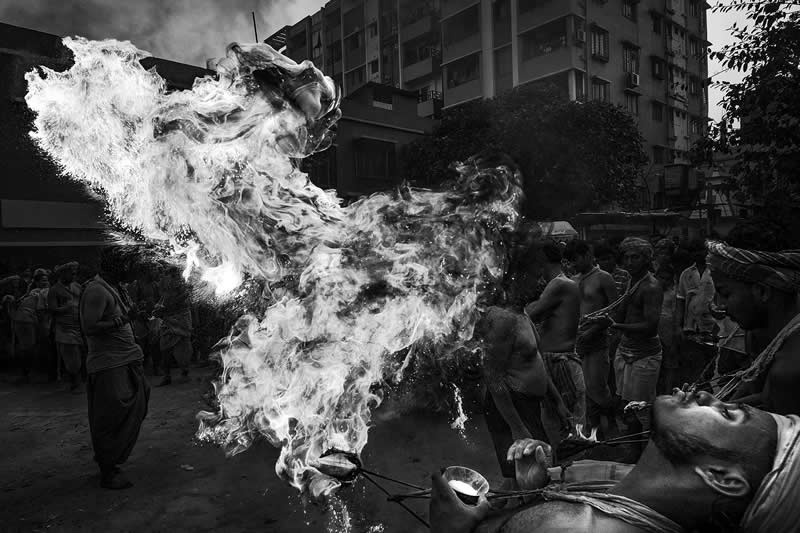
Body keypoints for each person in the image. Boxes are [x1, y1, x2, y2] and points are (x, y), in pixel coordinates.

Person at [430, 390, 799, 533]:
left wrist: (452, 531)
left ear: (721, 476)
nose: (709, 395)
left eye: (729, 414)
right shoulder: (638, 498)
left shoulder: (572, 530)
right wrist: (535, 491)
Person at [80, 246, 150, 489]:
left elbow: (123, 316)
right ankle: (108, 470)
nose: (132, 270)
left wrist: (135, 316)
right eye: (128, 265)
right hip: (109, 364)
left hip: (126, 359)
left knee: (137, 404)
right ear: (117, 266)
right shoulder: (97, 290)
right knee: (110, 417)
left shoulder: (116, 287)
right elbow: (89, 327)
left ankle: (109, 459)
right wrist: (123, 319)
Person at [707, 241, 800, 415]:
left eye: (726, 294)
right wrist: (718, 407)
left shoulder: (789, 371)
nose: (720, 306)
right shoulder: (772, 339)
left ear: (762, 292)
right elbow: (766, 397)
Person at [593, 237, 663, 434]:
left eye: (636, 257)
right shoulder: (633, 281)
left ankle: (646, 452)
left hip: (644, 354)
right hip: (625, 350)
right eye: (627, 258)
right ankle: (634, 449)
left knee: (641, 408)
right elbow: (621, 312)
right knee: (626, 404)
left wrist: (615, 324)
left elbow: (650, 326)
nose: (630, 262)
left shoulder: (651, 286)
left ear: (647, 259)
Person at [524, 241, 585, 436]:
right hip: (554, 361)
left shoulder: (560, 284)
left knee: (569, 428)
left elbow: (530, 313)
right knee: (554, 426)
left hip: (561, 363)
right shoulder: (557, 284)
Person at [564, 240, 618, 436]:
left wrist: (593, 331)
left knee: (598, 388)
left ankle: (611, 425)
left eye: (576, 259)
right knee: (582, 390)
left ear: (588, 254)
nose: (574, 264)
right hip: (577, 343)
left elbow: (615, 311)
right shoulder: (573, 280)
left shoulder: (604, 278)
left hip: (597, 341)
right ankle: (593, 431)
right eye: (570, 261)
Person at [675, 240, 717, 389]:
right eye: (696, 251)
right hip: (691, 329)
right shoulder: (686, 274)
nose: (699, 254)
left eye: (702, 251)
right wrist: (678, 326)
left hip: (713, 328)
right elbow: (680, 300)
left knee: (712, 367)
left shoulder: (715, 271)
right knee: (694, 368)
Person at [155, 265, 192, 386]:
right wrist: (159, 309)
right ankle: (167, 376)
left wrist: (163, 310)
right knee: (164, 347)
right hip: (168, 320)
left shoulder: (184, 285)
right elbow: (164, 298)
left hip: (181, 319)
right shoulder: (164, 283)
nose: (174, 277)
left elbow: (182, 301)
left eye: (176, 275)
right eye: (171, 275)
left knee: (184, 347)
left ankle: (184, 371)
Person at [49, 262, 84, 392]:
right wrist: (65, 308)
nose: (74, 276)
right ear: (63, 274)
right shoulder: (54, 290)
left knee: (79, 355)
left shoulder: (77, 286)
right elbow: (51, 309)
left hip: (79, 326)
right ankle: (75, 382)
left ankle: (77, 381)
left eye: (75, 273)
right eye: (71, 273)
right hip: (65, 328)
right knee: (71, 357)